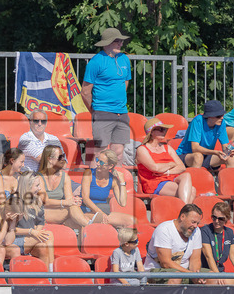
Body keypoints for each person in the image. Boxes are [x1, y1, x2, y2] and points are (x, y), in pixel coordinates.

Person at [81, 27, 132, 158]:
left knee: (118, 151)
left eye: (121, 41)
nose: (121, 44)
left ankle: (115, 172)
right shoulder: (96, 62)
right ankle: (95, 172)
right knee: (101, 151)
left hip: (122, 111)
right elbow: (85, 91)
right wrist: (94, 111)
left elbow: (125, 81)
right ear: (107, 42)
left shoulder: (124, 59)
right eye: (117, 41)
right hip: (102, 111)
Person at [144, 203, 205, 284]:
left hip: (185, 271)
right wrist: (190, 274)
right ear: (182, 217)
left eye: (197, 223)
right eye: (193, 222)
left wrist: (196, 275)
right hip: (158, 270)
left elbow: (195, 260)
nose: (195, 226)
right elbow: (166, 263)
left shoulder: (196, 231)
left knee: (213, 278)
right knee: (176, 277)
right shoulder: (164, 229)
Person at [136, 118, 194, 203]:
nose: (164, 131)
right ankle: (184, 209)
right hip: (154, 182)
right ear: (151, 132)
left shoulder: (168, 148)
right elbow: (155, 168)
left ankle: (183, 208)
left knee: (187, 176)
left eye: (165, 129)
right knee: (191, 191)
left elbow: (182, 167)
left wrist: (166, 172)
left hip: (170, 178)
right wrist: (171, 164)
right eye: (160, 129)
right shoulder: (142, 149)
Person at [37, 145, 91, 229]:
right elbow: (45, 202)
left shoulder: (64, 176)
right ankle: (91, 226)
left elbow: (69, 199)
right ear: (49, 159)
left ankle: (88, 226)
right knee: (74, 210)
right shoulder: (38, 178)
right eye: (60, 157)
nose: (63, 159)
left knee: (78, 223)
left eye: (63, 156)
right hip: (43, 212)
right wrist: (65, 202)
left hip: (60, 211)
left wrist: (74, 201)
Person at [80, 149, 137, 229]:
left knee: (132, 221)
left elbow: (123, 202)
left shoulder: (113, 180)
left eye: (101, 162)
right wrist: (101, 213)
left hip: (103, 210)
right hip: (88, 210)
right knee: (100, 220)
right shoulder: (88, 173)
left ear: (110, 166)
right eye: (97, 160)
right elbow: (85, 199)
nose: (97, 163)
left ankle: (123, 236)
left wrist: (122, 181)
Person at [199, 202, 234, 286]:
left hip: (220, 271)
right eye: (214, 217)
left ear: (227, 219)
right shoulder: (205, 230)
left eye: (220, 219)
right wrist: (217, 275)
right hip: (205, 270)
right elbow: (209, 257)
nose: (216, 221)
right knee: (222, 282)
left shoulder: (229, 232)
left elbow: (233, 256)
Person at [11, 172, 55, 270]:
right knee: (49, 235)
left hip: (30, 239)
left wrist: (37, 232)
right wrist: (31, 232)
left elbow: (40, 222)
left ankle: (45, 275)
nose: (39, 188)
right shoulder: (15, 202)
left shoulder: (37, 200)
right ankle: (52, 272)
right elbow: (10, 230)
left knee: (43, 248)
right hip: (14, 241)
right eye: (37, 185)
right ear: (27, 186)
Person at [176, 100, 234, 171]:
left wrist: (228, 151)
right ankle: (195, 178)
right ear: (209, 116)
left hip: (205, 156)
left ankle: (232, 178)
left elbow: (224, 145)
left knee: (230, 158)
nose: (222, 118)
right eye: (218, 116)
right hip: (186, 155)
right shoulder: (197, 121)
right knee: (198, 156)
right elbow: (195, 148)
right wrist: (215, 152)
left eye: (222, 115)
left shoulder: (221, 123)